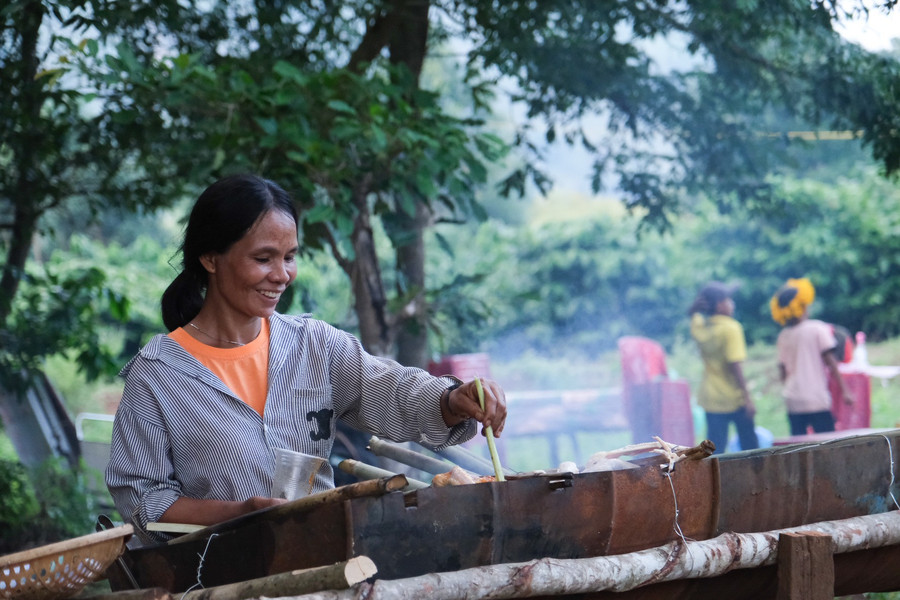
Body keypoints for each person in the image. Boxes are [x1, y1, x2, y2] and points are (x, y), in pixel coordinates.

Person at [105, 174, 507, 543]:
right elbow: (145, 503)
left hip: (328, 560)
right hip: (220, 576)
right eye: (263, 259)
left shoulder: (315, 345)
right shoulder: (157, 377)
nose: (282, 275)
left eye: (290, 256)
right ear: (210, 259)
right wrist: (240, 514)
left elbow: (394, 392)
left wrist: (452, 400)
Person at [770, 277, 852, 436]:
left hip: (793, 400)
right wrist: (845, 390)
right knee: (827, 444)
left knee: (798, 447)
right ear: (802, 305)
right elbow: (831, 363)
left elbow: (782, 369)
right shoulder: (818, 329)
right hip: (817, 399)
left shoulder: (784, 336)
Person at [688, 281, 758, 454]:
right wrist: (748, 398)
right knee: (750, 445)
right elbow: (735, 365)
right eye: (729, 300)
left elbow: (693, 316)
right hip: (734, 397)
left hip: (711, 398)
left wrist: (694, 310)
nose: (732, 304)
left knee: (714, 449)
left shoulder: (701, 329)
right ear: (720, 305)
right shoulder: (731, 328)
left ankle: (713, 480)